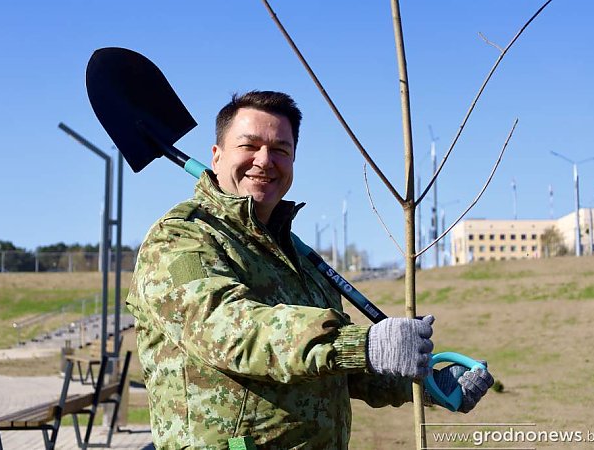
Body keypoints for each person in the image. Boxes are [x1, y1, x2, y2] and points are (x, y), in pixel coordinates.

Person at [126, 90, 494, 449]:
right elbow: (232, 331)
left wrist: (425, 382)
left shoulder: (299, 256)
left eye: (281, 150)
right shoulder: (180, 238)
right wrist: (363, 344)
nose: (265, 160)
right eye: (249, 145)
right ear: (217, 156)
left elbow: (336, 366)